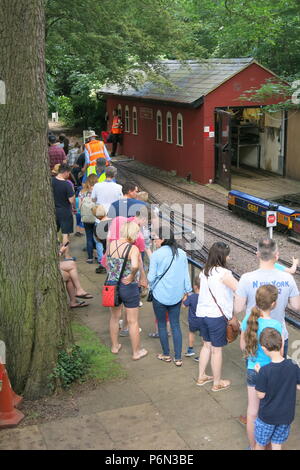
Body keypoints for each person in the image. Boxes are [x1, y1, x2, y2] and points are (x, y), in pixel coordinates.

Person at [235, 238, 300, 359]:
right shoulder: (288, 278)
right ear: (277, 255)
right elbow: (296, 306)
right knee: (277, 374)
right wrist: (284, 301)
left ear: (257, 254)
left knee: (256, 373)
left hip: (253, 335)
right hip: (278, 337)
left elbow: (238, 308)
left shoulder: (246, 278)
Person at [240, 285, 283, 450]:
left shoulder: (247, 319)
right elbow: (280, 353)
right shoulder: (276, 325)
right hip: (271, 372)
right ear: (273, 304)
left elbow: (243, 346)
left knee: (252, 412)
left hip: (253, 369)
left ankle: (253, 446)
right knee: (270, 411)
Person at [196, 242, 238, 391]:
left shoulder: (204, 271)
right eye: (228, 254)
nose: (229, 257)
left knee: (206, 345)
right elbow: (239, 290)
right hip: (217, 317)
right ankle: (217, 383)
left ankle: (201, 376)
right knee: (217, 350)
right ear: (222, 257)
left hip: (202, 314)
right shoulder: (224, 274)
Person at [148, 225, 192, 367]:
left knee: (161, 324)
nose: (154, 241)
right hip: (176, 296)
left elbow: (150, 278)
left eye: (155, 238)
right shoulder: (182, 254)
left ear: (163, 239)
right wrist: (188, 291)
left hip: (159, 296)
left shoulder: (156, 255)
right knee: (175, 325)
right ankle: (178, 358)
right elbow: (186, 276)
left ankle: (166, 354)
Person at [106, 221, 148, 361]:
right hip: (128, 287)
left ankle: (114, 346)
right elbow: (135, 265)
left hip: (112, 285)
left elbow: (108, 262)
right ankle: (136, 352)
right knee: (132, 321)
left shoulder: (112, 244)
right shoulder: (133, 249)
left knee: (114, 317)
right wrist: (131, 276)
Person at [254, 327, 300, 450]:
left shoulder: (264, 371)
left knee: (260, 443)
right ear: (281, 345)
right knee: (277, 444)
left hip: (268, 417)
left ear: (264, 349)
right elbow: (298, 386)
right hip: (286, 416)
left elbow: (260, 395)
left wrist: (259, 375)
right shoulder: (293, 366)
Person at [52, 163, 75, 259]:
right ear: (65, 172)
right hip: (65, 212)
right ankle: (67, 255)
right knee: (65, 234)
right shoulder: (67, 184)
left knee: (54, 232)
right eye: (68, 173)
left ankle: (55, 250)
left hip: (53, 211)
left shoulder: (51, 181)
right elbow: (71, 200)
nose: (69, 175)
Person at [79, 174, 98, 263]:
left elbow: (79, 206)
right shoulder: (98, 192)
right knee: (98, 238)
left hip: (86, 218)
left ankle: (90, 258)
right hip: (96, 217)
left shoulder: (82, 192)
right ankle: (99, 256)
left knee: (89, 237)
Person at [183, 277, 201, 358]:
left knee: (191, 333)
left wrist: (185, 295)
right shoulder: (206, 297)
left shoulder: (192, 297)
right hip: (203, 320)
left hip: (193, 320)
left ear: (195, 286)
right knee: (204, 337)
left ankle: (190, 350)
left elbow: (183, 305)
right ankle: (202, 355)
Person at [92, 204, 112, 274]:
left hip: (107, 250)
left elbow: (98, 240)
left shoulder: (97, 227)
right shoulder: (114, 221)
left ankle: (102, 265)